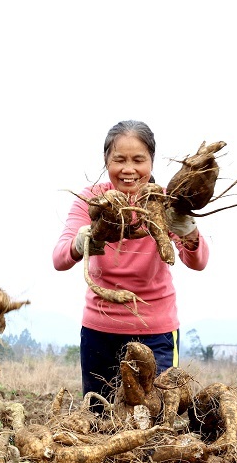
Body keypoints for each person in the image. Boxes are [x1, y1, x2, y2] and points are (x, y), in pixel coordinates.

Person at [52, 120, 209, 407]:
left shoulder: (163, 200)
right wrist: (80, 242)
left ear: (151, 161)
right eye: (119, 160)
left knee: (155, 414)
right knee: (100, 421)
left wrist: (188, 230)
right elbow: (59, 258)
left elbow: (197, 261)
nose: (128, 169)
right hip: (99, 331)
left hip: (156, 330)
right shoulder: (91, 200)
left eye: (139, 160)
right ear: (105, 160)